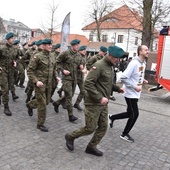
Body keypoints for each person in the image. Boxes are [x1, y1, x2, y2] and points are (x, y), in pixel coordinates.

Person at [64, 46, 125, 156]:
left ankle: (91, 147)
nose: (118, 60)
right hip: (93, 102)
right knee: (90, 128)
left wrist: (117, 89)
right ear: (110, 55)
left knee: (103, 127)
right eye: (116, 58)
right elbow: (88, 83)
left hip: (103, 103)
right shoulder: (99, 65)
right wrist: (99, 97)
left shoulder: (110, 66)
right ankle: (70, 136)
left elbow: (106, 83)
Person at [109, 45, 149, 143]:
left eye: (148, 50)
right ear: (140, 52)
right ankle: (124, 134)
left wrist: (142, 80)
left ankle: (112, 117)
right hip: (130, 93)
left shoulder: (143, 63)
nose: (148, 51)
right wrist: (134, 86)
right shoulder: (134, 63)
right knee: (135, 114)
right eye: (146, 50)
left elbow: (137, 75)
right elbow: (123, 77)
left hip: (136, 94)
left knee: (129, 113)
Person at [26, 39, 59, 132]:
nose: (50, 46)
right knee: (43, 105)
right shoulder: (38, 56)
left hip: (49, 84)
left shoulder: (52, 56)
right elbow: (30, 70)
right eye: (48, 45)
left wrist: (56, 77)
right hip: (40, 84)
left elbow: (54, 69)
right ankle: (40, 124)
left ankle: (30, 104)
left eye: (50, 45)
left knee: (47, 102)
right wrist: (36, 81)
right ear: (43, 46)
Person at [53, 39, 83, 122]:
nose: (77, 46)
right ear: (72, 46)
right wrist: (63, 70)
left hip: (75, 78)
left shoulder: (79, 55)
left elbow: (80, 64)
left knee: (69, 95)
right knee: (69, 96)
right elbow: (57, 62)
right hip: (67, 79)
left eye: (78, 45)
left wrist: (81, 67)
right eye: (76, 45)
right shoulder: (65, 53)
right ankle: (71, 116)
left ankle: (57, 103)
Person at [0, 32, 19, 116]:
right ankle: (6, 107)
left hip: (11, 71)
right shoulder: (2, 49)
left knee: (8, 88)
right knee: (5, 88)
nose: (13, 39)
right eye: (12, 38)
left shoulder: (15, 49)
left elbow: (17, 58)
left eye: (13, 38)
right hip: (3, 70)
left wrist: (15, 62)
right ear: (7, 40)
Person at [73, 45, 87, 111]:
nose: (85, 51)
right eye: (83, 50)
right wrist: (81, 70)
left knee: (83, 91)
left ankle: (76, 103)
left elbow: (84, 66)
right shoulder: (77, 57)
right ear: (80, 51)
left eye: (85, 50)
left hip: (81, 77)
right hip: (75, 77)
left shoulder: (84, 57)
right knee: (71, 93)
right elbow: (74, 67)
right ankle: (58, 102)